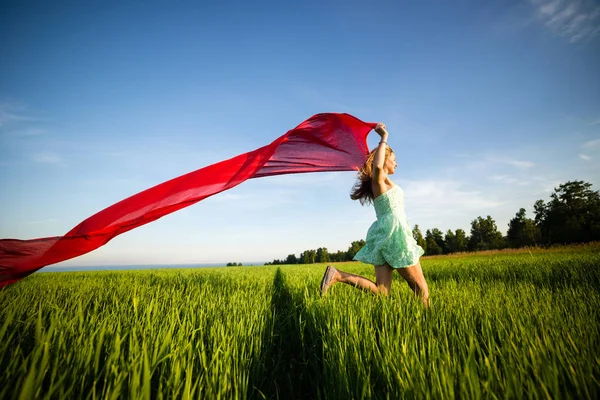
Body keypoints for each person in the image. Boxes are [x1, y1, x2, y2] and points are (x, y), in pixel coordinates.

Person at [319, 122, 430, 307]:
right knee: (422, 291)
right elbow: (377, 167)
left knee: (381, 291)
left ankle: (338, 275)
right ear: (384, 159)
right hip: (396, 235)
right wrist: (383, 138)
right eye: (393, 159)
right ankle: (430, 324)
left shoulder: (383, 182)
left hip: (384, 234)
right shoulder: (378, 182)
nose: (396, 163)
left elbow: (377, 168)